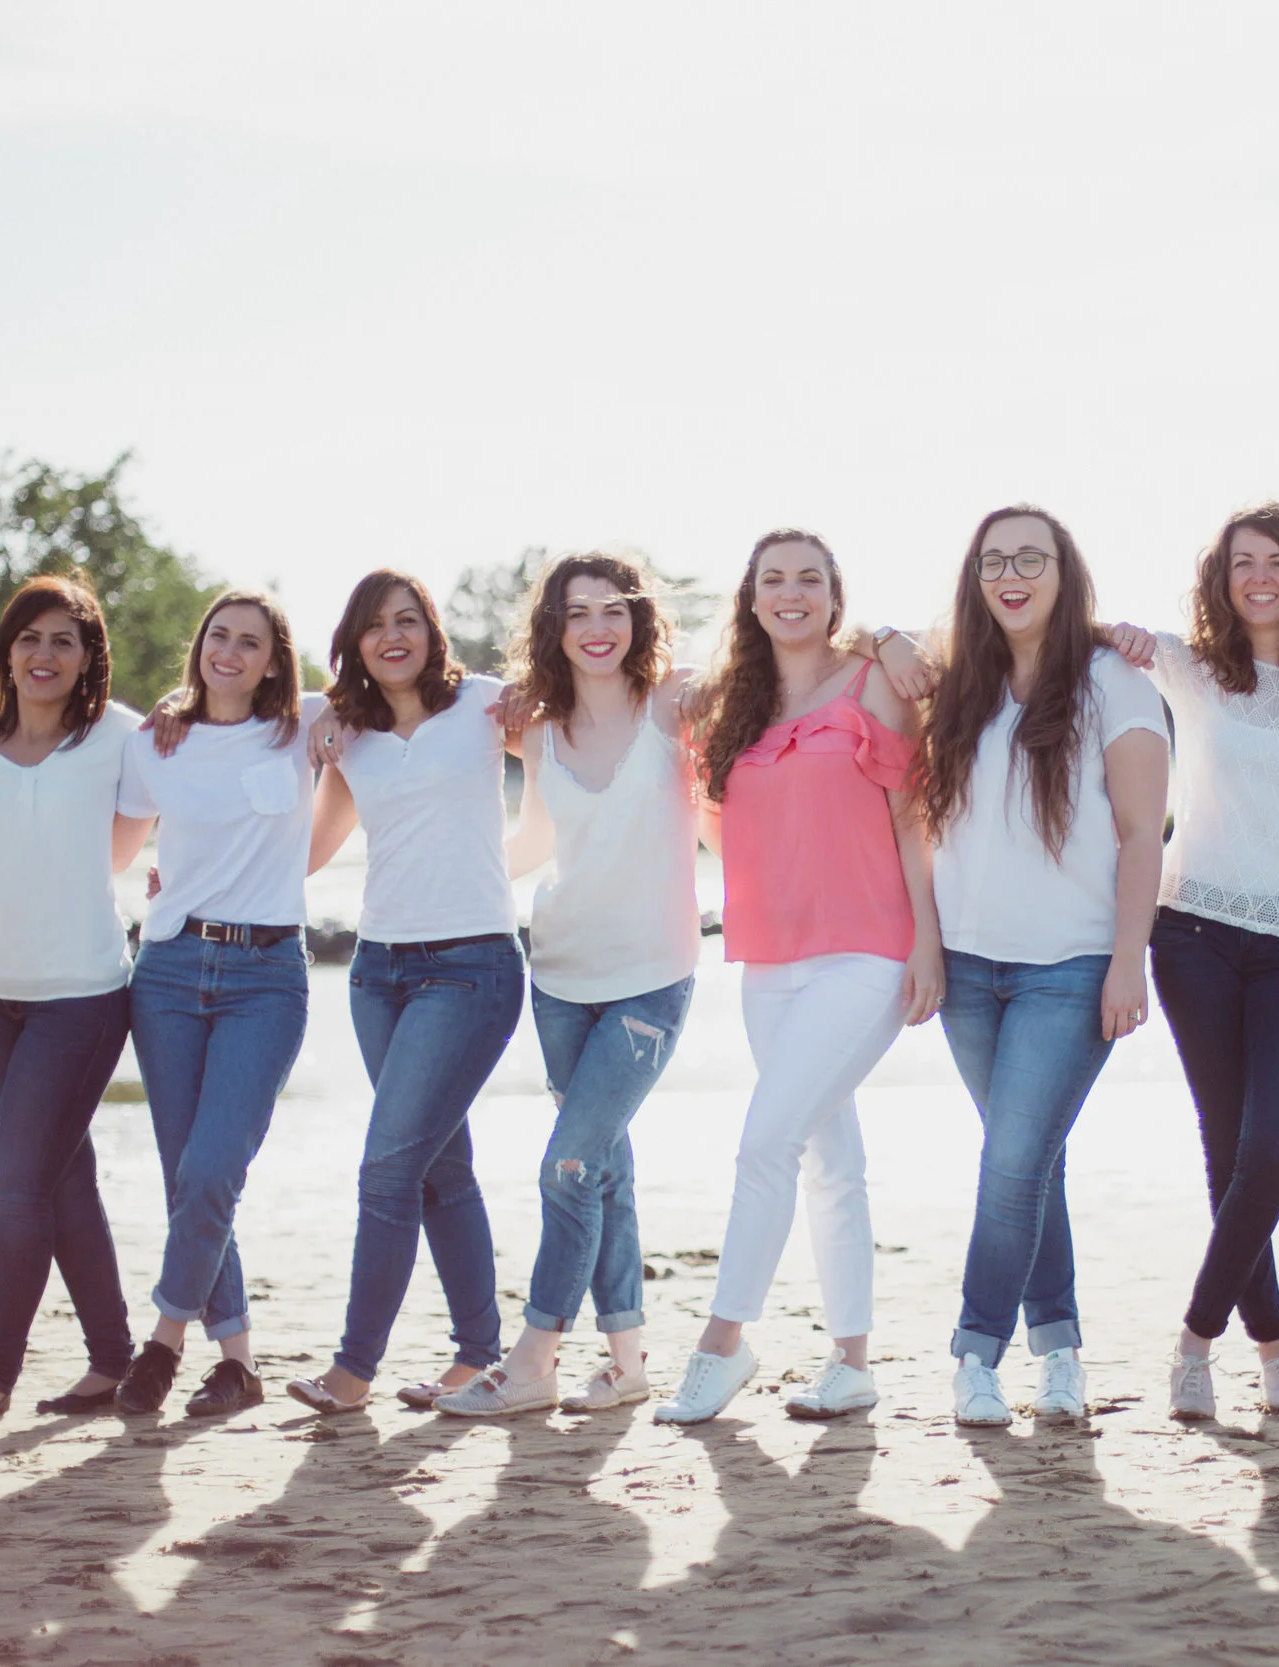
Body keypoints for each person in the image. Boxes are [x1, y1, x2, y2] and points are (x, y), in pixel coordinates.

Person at [652, 530, 944, 1425]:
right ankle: (852, 1363)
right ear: (750, 597)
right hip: (767, 961)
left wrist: (927, 943)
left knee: (764, 1144)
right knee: (830, 1160)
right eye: (773, 579)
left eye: (808, 579)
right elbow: (716, 829)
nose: (791, 593)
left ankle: (721, 1346)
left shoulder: (876, 682)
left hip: (868, 950)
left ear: (833, 594)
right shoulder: (728, 707)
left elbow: (912, 819)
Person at [1098, 503, 1279, 1421]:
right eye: (1242, 561)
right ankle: (1278, 1349)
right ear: (1222, 577)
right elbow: (1071, 632)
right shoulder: (1189, 666)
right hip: (1196, 933)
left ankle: (1196, 1340)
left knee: (1272, 1149)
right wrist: (1117, 630)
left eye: (1277, 561)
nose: (1259, 576)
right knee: (1230, 1148)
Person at [426, 553, 700, 1417]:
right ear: (554, 628)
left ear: (639, 620)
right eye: (577, 612)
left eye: (613, 609)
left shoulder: (676, 704)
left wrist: (886, 636)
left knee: (567, 1166)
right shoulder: (535, 730)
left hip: (653, 976)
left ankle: (534, 1357)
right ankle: (627, 1364)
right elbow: (533, 842)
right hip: (559, 976)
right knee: (604, 1167)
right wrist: (456, 887)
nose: (597, 626)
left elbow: (798, 658)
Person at [920, 505, 1170, 1427]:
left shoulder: (1115, 684)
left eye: (1031, 557)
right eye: (993, 560)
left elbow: (1146, 833)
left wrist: (1127, 962)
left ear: (1065, 573)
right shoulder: (958, 685)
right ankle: (1060, 1349)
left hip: (1070, 968)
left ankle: (974, 1353)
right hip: (969, 968)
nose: (1010, 573)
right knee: (1030, 1164)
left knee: (1012, 1160)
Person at [275, 571, 525, 1417]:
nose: (394, 636)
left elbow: (591, 734)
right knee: (436, 1171)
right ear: (353, 640)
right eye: (376, 624)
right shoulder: (347, 730)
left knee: (386, 1169)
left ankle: (353, 1371)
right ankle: (479, 1356)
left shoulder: (488, 705)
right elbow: (303, 848)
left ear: (433, 631)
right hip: (378, 973)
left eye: (408, 620)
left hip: (474, 966)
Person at [0, 575, 152, 1421]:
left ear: (89, 655)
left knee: (19, 1181)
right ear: (7, 652)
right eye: (30, 637)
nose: (44, 654)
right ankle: (112, 1362)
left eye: (64, 639)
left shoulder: (119, 737)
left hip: (82, 999)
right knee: (62, 1182)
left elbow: (200, 744)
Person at [112, 591, 330, 1420]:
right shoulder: (154, 742)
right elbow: (117, 847)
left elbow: (394, 690)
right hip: (167, 971)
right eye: (218, 636)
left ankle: (162, 1344)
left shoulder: (303, 723)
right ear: (197, 644)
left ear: (276, 658)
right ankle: (237, 1363)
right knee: (190, 1178)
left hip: (267, 977)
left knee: (212, 1168)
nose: (230, 652)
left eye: (251, 641)